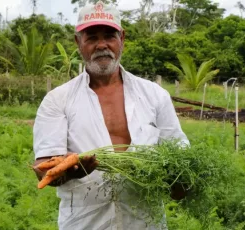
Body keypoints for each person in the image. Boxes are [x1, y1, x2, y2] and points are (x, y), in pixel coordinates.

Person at [32, 1, 189, 229]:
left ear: (122, 38)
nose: (101, 45)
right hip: (85, 223)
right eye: (92, 37)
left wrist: (177, 178)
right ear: (78, 42)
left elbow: (180, 156)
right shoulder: (58, 100)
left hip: (145, 222)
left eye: (109, 35)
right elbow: (44, 169)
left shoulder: (155, 95)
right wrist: (72, 172)